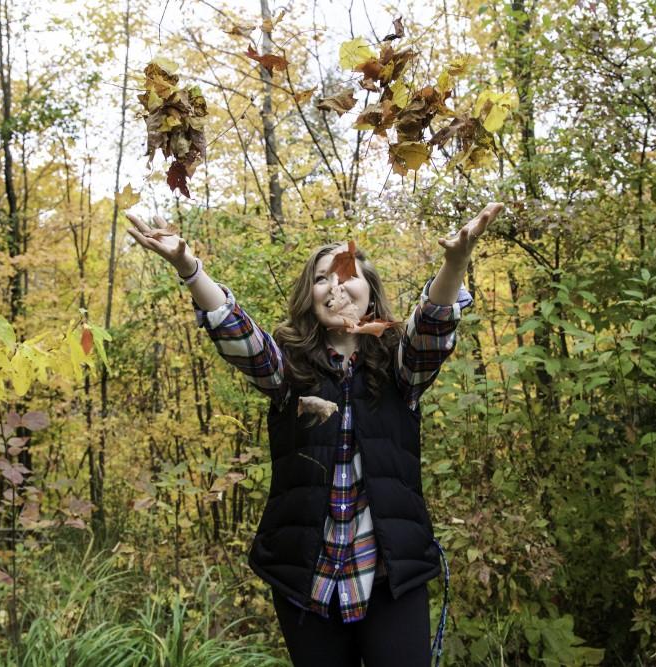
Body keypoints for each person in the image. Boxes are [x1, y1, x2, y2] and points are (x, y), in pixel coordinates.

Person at [126, 203, 504, 667]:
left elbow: (432, 329)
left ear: (370, 291)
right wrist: (189, 267)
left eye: (347, 274)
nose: (335, 285)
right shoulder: (289, 371)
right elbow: (239, 335)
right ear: (310, 297)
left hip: (390, 574)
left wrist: (455, 263)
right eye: (321, 278)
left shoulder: (399, 369)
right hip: (306, 577)